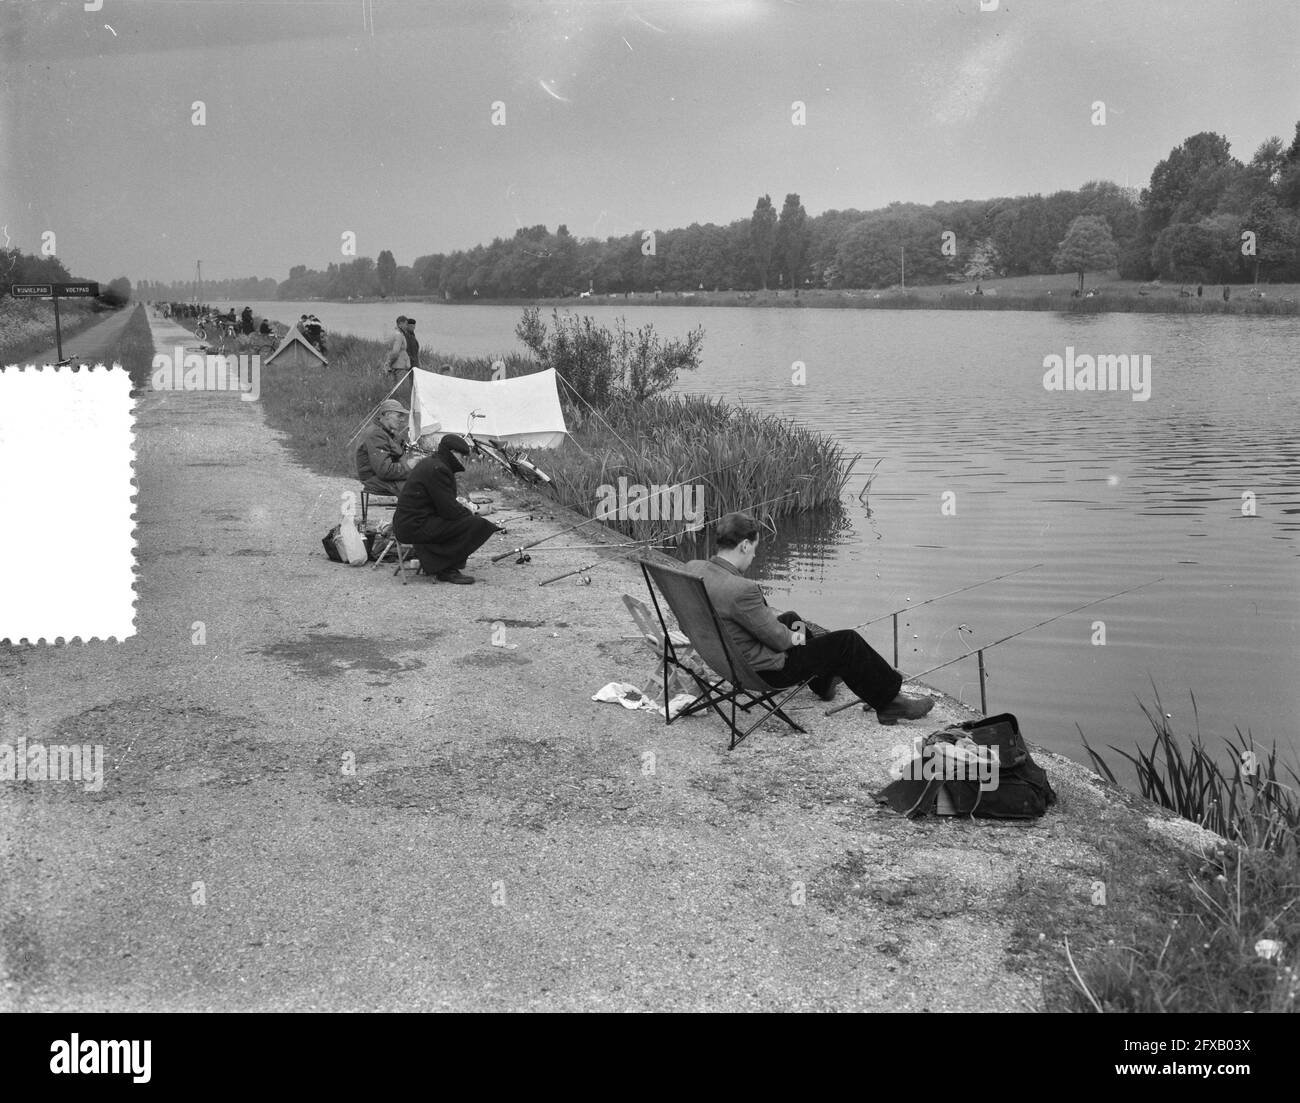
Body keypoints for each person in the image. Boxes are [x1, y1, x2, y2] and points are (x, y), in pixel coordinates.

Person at [684, 512, 936, 725]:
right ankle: (890, 701)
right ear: (745, 546)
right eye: (755, 550)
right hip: (764, 671)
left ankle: (823, 681)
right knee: (846, 641)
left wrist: (791, 631)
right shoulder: (741, 589)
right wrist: (797, 636)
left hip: (725, 658)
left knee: (792, 617)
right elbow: (781, 641)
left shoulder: (694, 569)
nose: (754, 557)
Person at [393, 434, 499, 584]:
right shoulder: (438, 469)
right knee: (476, 525)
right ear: (452, 453)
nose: (463, 459)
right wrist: (471, 512)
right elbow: (449, 510)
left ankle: (439, 562)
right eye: (462, 455)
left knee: (465, 522)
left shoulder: (432, 463)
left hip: (411, 522)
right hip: (414, 526)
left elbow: (443, 504)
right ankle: (445, 568)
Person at [355, 399, 413, 497]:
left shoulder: (387, 433)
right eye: (399, 416)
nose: (402, 419)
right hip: (375, 479)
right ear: (387, 415)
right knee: (420, 488)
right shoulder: (375, 434)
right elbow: (385, 471)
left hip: (384, 477)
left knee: (424, 480)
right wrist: (410, 466)